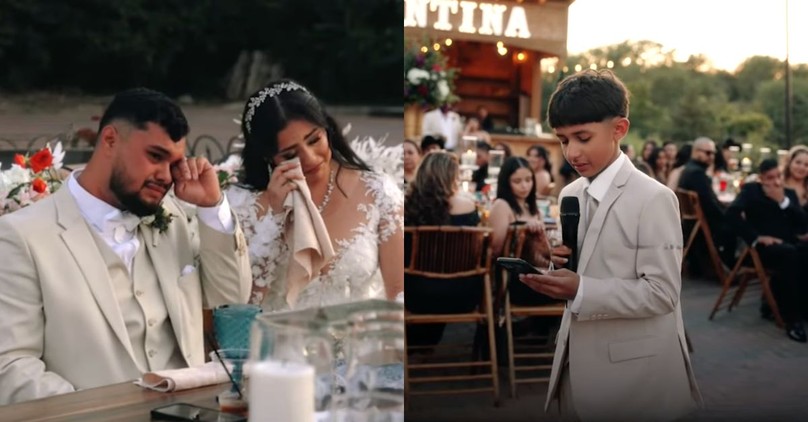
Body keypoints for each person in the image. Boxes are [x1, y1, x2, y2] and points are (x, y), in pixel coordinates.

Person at [0, 88, 252, 405]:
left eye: (174, 163)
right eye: (155, 157)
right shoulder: (22, 236)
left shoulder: (172, 215)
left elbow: (231, 298)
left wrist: (212, 207)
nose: (166, 176)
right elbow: (11, 367)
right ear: (109, 140)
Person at [519, 70, 701, 420]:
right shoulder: (571, 193)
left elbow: (663, 293)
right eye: (563, 140)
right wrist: (558, 265)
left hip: (636, 379)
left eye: (583, 137)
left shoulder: (654, 198)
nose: (571, 152)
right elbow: (586, 267)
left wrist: (581, 289)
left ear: (619, 129)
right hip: (576, 366)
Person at [226, 79, 403, 312]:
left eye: (314, 140)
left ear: (327, 129)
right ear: (269, 157)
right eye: (290, 154)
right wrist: (274, 218)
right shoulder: (244, 205)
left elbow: (399, 292)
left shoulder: (378, 192)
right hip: (277, 333)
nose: (309, 158)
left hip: (360, 331)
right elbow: (241, 306)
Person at [725, 159, 808, 342]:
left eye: (779, 176)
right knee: (790, 255)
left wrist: (783, 202)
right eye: (770, 178)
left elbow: (803, 223)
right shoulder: (751, 191)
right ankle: (792, 320)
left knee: (801, 252)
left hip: (790, 244)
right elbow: (731, 214)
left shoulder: (788, 194)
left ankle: (798, 309)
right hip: (763, 249)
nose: (776, 182)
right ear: (761, 178)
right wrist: (756, 237)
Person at [404, 152, 480, 346]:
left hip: (417, 296)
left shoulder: (407, 206)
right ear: (452, 177)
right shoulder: (467, 206)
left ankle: (417, 345)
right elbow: (476, 251)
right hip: (462, 295)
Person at [489, 156, 555, 306]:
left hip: (537, 271)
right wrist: (521, 231)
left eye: (528, 180)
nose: (524, 186)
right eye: (517, 181)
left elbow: (545, 254)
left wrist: (540, 237)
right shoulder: (502, 205)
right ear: (506, 182)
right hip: (513, 278)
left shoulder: (533, 209)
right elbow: (495, 250)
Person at [678, 136, 737, 267]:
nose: (711, 157)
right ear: (696, 152)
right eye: (708, 153)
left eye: (713, 153)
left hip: (693, 225)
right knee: (738, 227)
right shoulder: (696, 174)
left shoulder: (689, 170)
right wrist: (728, 216)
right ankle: (732, 267)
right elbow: (709, 205)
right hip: (704, 226)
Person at [782, 145, 808, 210]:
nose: (802, 167)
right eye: (798, 162)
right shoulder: (778, 185)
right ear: (789, 162)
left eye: (806, 165)